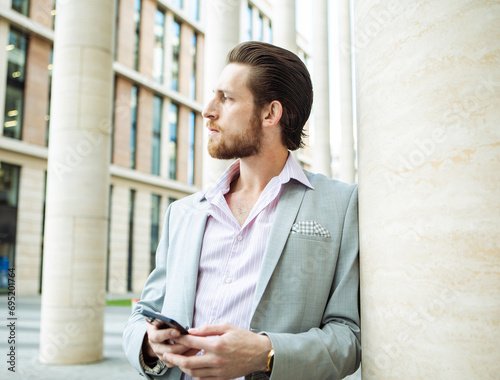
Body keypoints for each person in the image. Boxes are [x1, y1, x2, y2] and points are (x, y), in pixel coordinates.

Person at [123, 41, 360, 380]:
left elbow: (348, 337)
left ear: (270, 114)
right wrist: (150, 345)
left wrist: (266, 354)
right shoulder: (183, 212)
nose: (208, 110)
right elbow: (142, 317)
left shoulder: (341, 204)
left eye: (226, 98)